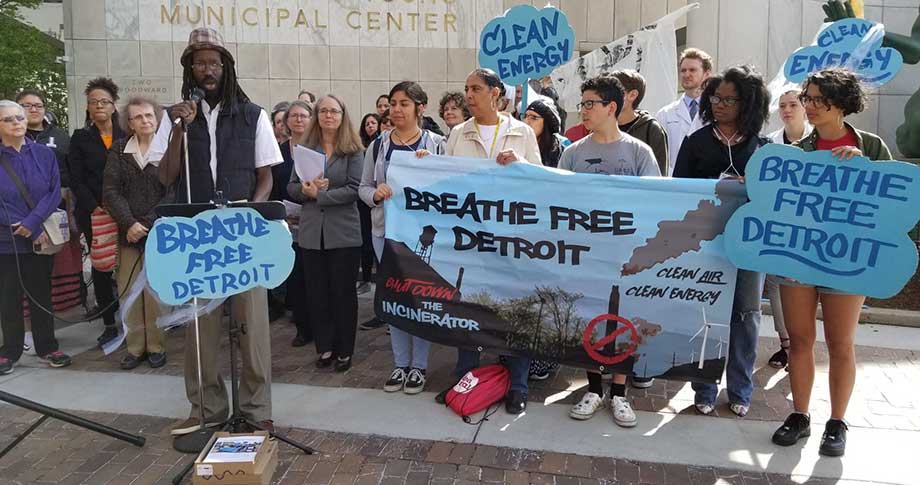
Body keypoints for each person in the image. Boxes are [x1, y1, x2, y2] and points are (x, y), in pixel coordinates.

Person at [151, 27, 281, 435]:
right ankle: (206, 407)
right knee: (199, 326)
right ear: (189, 68)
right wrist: (176, 128)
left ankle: (257, 408)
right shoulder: (174, 118)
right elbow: (165, 175)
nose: (207, 69)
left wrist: (252, 213)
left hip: (243, 237)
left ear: (226, 67)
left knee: (252, 326)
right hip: (196, 238)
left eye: (214, 62)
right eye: (199, 62)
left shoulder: (253, 114)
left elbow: (266, 177)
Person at [771, 68, 892, 457]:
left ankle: (837, 423)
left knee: (841, 343)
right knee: (800, 341)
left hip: (848, 260)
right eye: (806, 98)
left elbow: (890, 206)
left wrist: (864, 171)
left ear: (839, 103)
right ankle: (800, 415)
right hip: (799, 257)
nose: (808, 105)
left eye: (815, 99)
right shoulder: (796, 152)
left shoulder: (870, 147)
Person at [433, 68, 541, 414]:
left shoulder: (522, 132)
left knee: (515, 311)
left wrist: (522, 164)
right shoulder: (458, 134)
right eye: (466, 88)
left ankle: (518, 383)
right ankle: (466, 379)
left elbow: (540, 183)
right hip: (470, 238)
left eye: (476, 88)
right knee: (468, 310)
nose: (469, 95)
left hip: (513, 239)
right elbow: (446, 181)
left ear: (495, 93)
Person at [558, 76, 660, 428]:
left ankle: (619, 392)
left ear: (611, 107)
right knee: (588, 316)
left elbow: (655, 204)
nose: (583, 110)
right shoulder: (572, 153)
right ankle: (593, 388)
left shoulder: (638, 152)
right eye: (582, 103)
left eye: (589, 103)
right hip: (585, 254)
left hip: (627, 257)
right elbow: (556, 201)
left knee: (624, 321)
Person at [674, 65, 771, 418]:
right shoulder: (695, 142)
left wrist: (754, 185)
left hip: (749, 243)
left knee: (746, 314)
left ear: (749, 104)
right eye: (715, 97)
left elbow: (774, 198)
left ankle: (741, 388)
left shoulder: (764, 148)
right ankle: (704, 387)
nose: (719, 104)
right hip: (706, 242)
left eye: (729, 99)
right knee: (707, 312)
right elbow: (678, 192)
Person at [359, 81, 446, 394]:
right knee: (395, 297)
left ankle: (419, 367)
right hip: (385, 232)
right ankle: (400, 364)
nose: (395, 109)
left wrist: (431, 169)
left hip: (422, 236)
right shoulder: (379, 145)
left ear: (420, 108)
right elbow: (364, 187)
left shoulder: (437, 144)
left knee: (419, 299)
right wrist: (376, 195)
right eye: (393, 103)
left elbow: (449, 190)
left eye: (403, 104)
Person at [287, 95, 364, 373]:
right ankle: (325, 346)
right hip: (310, 233)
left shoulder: (353, 150)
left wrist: (321, 195)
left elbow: (356, 189)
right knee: (317, 293)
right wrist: (306, 191)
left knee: (342, 293)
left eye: (334, 111)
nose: (328, 115)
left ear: (343, 116)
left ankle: (345, 349)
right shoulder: (305, 149)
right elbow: (292, 187)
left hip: (343, 232)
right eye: (323, 111)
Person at [0, 99, 72, 374]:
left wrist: (32, 222)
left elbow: (54, 191)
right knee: (8, 298)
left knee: (41, 294)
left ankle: (47, 347)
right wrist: (16, 223)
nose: (17, 122)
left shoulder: (43, 153)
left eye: (19, 118)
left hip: (39, 235)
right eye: (9, 119)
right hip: (6, 240)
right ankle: (10, 351)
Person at [101, 97, 170, 370]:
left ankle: (156, 346)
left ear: (157, 118)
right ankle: (134, 347)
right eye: (138, 117)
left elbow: (173, 192)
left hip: (158, 231)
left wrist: (149, 222)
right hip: (127, 232)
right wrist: (129, 223)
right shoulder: (119, 150)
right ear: (128, 123)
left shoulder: (168, 150)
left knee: (155, 291)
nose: (144, 121)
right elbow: (110, 191)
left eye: (149, 116)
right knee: (129, 291)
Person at [17, 90, 83, 324]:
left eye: (38, 105)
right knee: (21, 269)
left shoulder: (61, 137)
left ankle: (49, 323)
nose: (33, 109)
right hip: (18, 214)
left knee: (54, 265)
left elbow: (71, 172)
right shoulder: (10, 138)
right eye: (26, 105)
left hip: (56, 209)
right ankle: (23, 326)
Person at [69, 77, 124, 348]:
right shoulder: (80, 138)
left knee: (129, 265)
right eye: (93, 102)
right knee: (102, 269)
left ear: (114, 106)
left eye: (104, 101)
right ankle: (109, 323)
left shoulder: (127, 135)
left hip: (126, 211)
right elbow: (76, 178)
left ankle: (132, 320)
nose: (99, 106)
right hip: (95, 212)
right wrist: (95, 206)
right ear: (88, 107)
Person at [764, 87, 812, 370]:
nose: (787, 110)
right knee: (776, 285)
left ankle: (802, 345)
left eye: (793, 104)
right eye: (782, 105)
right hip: (779, 225)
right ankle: (787, 345)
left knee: (804, 287)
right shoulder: (769, 144)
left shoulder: (817, 142)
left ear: (804, 107)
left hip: (810, 229)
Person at [276, 101, 314, 348]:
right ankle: (302, 327)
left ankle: (319, 324)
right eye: (294, 116)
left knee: (314, 276)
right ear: (287, 121)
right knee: (295, 276)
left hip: (312, 216)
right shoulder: (277, 151)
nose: (299, 120)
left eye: (303, 115)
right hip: (285, 220)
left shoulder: (318, 149)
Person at [656, 48, 713, 175]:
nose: (686, 74)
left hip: (706, 183)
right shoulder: (665, 114)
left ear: (707, 73)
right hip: (674, 183)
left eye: (692, 70)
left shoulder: (717, 113)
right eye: (683, 70)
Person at [612, 70, 669, 176]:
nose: (607, 96)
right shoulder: (601, 126)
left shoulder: (652, 129)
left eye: (614, 91)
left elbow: (659, 176)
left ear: (632, 95)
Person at [522, 95, 569, 168]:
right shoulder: (517, 145)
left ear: (547, 123)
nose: (526, 121)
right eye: (525, 116)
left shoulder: (562, 152)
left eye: (533, 117)